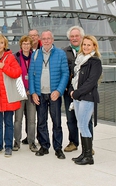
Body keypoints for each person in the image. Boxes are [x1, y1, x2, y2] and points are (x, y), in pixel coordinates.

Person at [29, 30, 69, 159]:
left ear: (52, 40)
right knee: (41, 122)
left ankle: (58, 148)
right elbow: (30, 75)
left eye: (48, 38)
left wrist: (58, 91)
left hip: (54, 94)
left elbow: (65, 74)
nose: (46, 41)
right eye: (44, 38)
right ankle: (44, 146)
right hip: (40, 94)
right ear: (41, 39)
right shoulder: (35, 54)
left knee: (56, 122)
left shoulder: (60, 54)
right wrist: (33, 92)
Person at [69, 35, 102, 165]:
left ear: (94, 46)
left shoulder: (95, 61)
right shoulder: (80, 60)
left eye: (89, 45)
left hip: (87, 97)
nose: (86, 47)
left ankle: (89, 156)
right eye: (84, 44)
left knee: (83, 125)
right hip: (78, 97)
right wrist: (72, 91)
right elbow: (74, 78)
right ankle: (84, 153)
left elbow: (91, 82)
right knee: (80, 125)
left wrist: (76, 93)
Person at [63, 26, 86, 153]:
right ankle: (73, 142)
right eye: (72, 36)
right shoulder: (64, 51)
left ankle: (88, 145)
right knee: (71, 118)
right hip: (69, 92)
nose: (74, 38)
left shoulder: (88, 50)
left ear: (81, 37)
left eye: (77, 36)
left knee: (85, 119)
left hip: (85, 92)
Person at [13, 36, 38, 152]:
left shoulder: (36, 56)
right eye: (24, 44)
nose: (26, 46)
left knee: (32, 119)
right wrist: (22, 89)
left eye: (28, 44)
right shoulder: (16, 57)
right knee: (18, 119)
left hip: (32, 92)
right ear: (21, 45)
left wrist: (32, 90)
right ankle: (16, 142)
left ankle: (31, 142)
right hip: (19, 92)